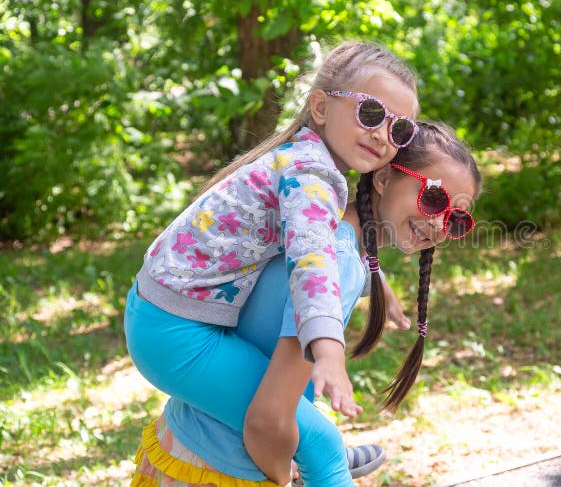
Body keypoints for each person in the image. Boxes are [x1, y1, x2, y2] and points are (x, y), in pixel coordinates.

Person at [124, 40, 421, 486]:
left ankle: (315, 458)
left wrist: (375, 281)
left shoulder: (309, 160)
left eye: (400, 131)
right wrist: (328, 349)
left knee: (296, 408)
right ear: (320, 107)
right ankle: (319, 465)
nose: (383, 135)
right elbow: (312, 257)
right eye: (372, 113)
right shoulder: (311, 174)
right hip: (173, 332)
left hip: (165, 316)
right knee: (318, 437)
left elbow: (320, 238)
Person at [131, 121, 482, 486]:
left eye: (456, 218)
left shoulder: (313, 216)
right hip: (227, 465)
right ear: (383, 178)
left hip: (188, 432)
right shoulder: (340, 264)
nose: (440, 223)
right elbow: (270, 415)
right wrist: (290, 472)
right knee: (325, 448)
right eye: (434, 197)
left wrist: (373, 278)